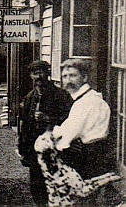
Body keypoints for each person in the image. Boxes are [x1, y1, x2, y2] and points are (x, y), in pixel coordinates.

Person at [52, 59, 113, 196]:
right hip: (87, 155)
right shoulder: (82, 100)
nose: (67, 80)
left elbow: (65, 137)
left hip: (90, 158)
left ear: (84, 77)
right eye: (64, 76)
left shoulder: (88, 102)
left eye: (73, 76)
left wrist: (52, 136)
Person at [18, 61, 72, 207]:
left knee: (56, 185)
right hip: (35, 150)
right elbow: (25, 126)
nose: (38, 76)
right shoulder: (30, 97)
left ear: (47, 74)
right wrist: (23, 150)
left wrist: (49, 119)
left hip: (56, 148)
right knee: (37, 187)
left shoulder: (61, 95)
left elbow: (70, 120)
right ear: (31, 76)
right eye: (35, 73)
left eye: (41, 72)